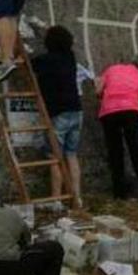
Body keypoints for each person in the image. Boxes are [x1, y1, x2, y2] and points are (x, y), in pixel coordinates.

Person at [95, 57, 138, 201]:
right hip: (130, 112)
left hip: (108, 112)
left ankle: (119, 193)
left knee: (115, 153)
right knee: (136, 152)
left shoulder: (111, 69)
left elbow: (98, 91)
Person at [31, 25, 82, 206]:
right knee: (71, 155)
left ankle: (56, 199)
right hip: (76, 110)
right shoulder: (70, 58)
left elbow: (30, 64)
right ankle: (77, 197)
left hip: (58, 112)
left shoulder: (46, 60)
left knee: (55, 157)